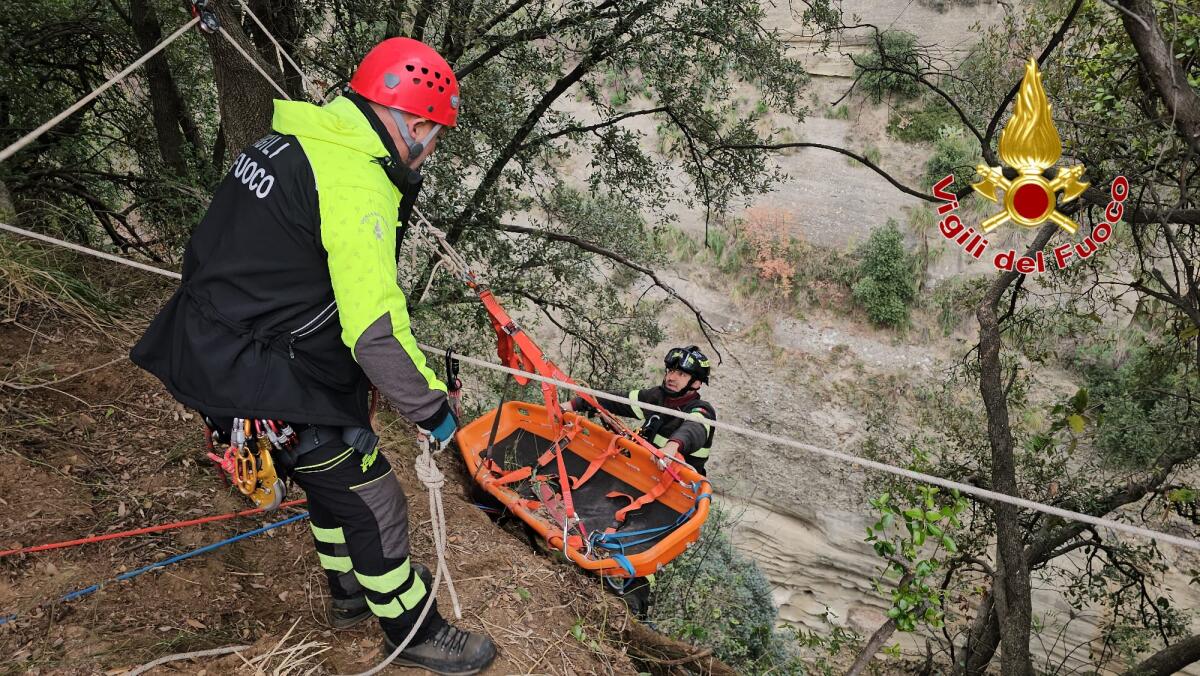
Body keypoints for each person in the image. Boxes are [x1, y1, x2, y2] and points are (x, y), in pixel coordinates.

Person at [130, 37, 495, 675]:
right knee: (377, 501)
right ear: (412, 122)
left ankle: (351, 592)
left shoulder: (295, 142)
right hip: (264, 372)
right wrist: (436, 414)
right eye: (434, 134)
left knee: (334, 485)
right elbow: (376, 330)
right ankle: (415, 632)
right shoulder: (354, 180)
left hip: (227, 345)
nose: (433, 149)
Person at [564, 345, 716, 475]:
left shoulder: (702, 409)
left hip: (676, 488)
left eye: (681, 374)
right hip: (644, 474)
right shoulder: (657, 396)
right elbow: (617, 400)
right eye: (670, 371)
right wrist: (574, 404)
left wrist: (672, 447)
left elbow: (694, 429)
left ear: (696, 383)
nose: (671, 377)